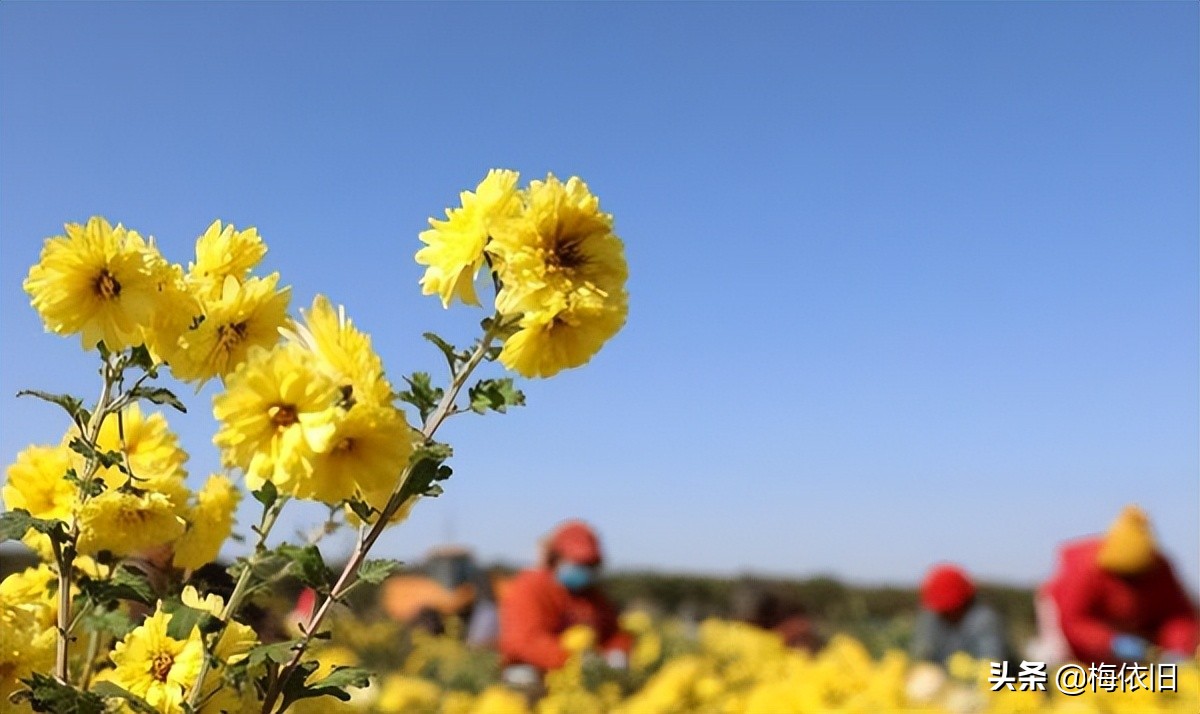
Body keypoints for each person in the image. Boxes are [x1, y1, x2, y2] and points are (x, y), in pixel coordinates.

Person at [1036, 505, 1198, 664]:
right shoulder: (1085, 568)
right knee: (1061, 655)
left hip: (1126, 629)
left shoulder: (1160, 568)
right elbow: (1074, 622)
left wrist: (1177, 649)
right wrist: (1111, 643)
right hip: (1065, 618)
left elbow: (1178, 616)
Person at [498, 520, 632, 679]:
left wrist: (617, 652)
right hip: (536, 672)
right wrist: (574, 660)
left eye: (589, 566)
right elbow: (523, 642)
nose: (584, 571)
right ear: (556, 558)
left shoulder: (591, 595)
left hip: (578, 676)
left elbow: (612, 632)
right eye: (578, 563)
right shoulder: (530, 588)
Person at [910, 563, 1009, 665]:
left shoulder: (983, 620)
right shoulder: (931, 617)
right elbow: (921, 653)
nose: (947, 614)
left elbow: (991, 661)